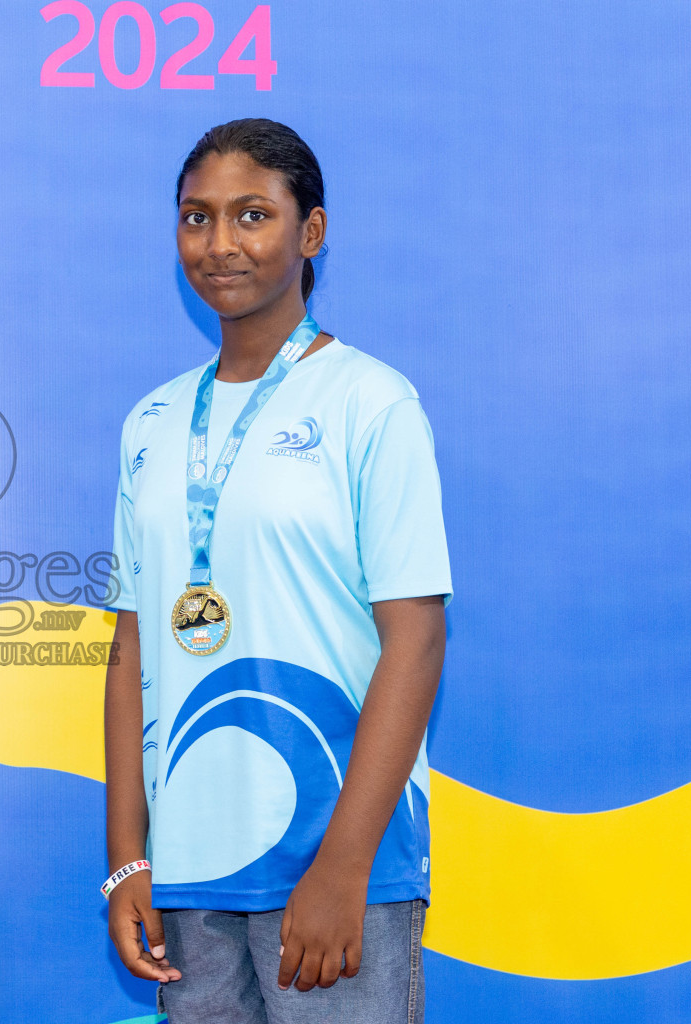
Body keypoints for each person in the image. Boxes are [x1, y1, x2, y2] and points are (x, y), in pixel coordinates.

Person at [101, 119, 451, 1022]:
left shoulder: (372, 403)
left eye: (252, 215)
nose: (220, 245)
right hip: (190, 878)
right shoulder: (150, 422)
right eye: (196, 218)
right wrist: (130, 859)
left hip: (338, 872)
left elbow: (414, 641)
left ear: (313, 233)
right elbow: (131, 647)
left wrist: (346, 866)